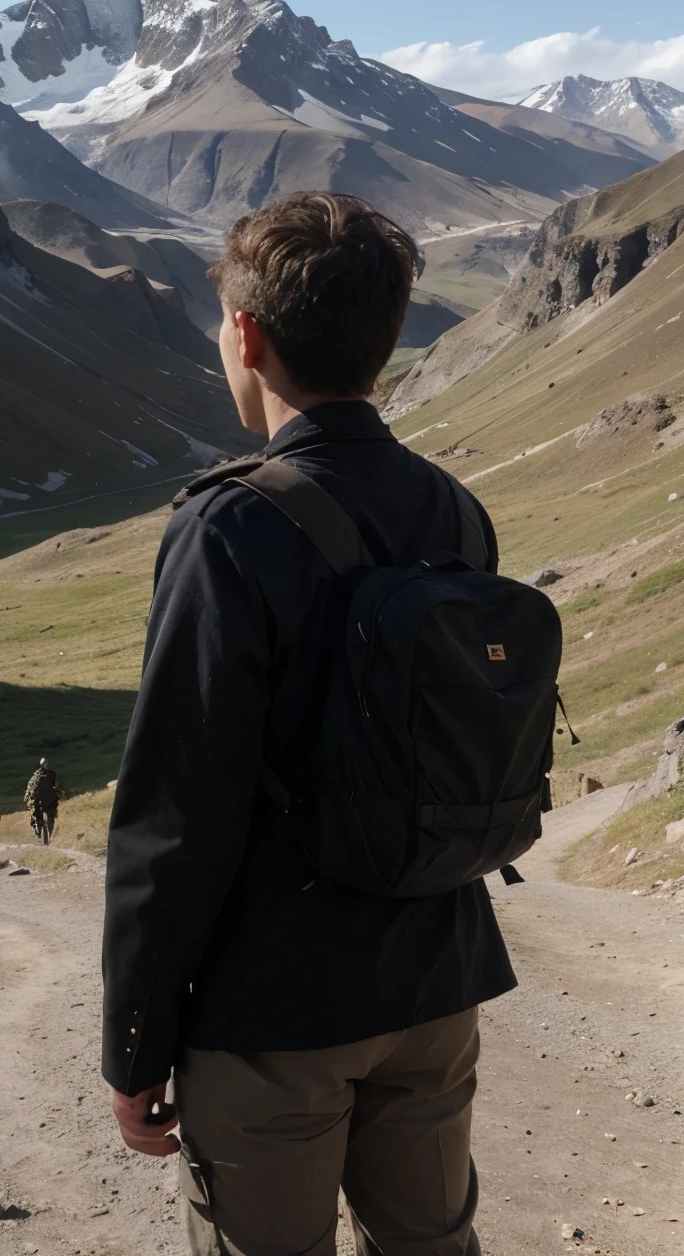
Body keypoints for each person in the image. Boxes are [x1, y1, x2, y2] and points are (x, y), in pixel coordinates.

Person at [101, 192, 516, 1256]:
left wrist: (134, 1040)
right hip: (436, 972)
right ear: (386, 338)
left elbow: (176, 810)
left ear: (247, 333)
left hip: (272, 1003)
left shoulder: (228, 523)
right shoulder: (455, 507)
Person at [24, 757, 60, 843]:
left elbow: (30, 793)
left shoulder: (38, 777)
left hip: (46, 801)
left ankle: (43, 836)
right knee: (39, 819)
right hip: (41, 801)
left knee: (46, 819)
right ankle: (42, 836)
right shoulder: (37, 777)